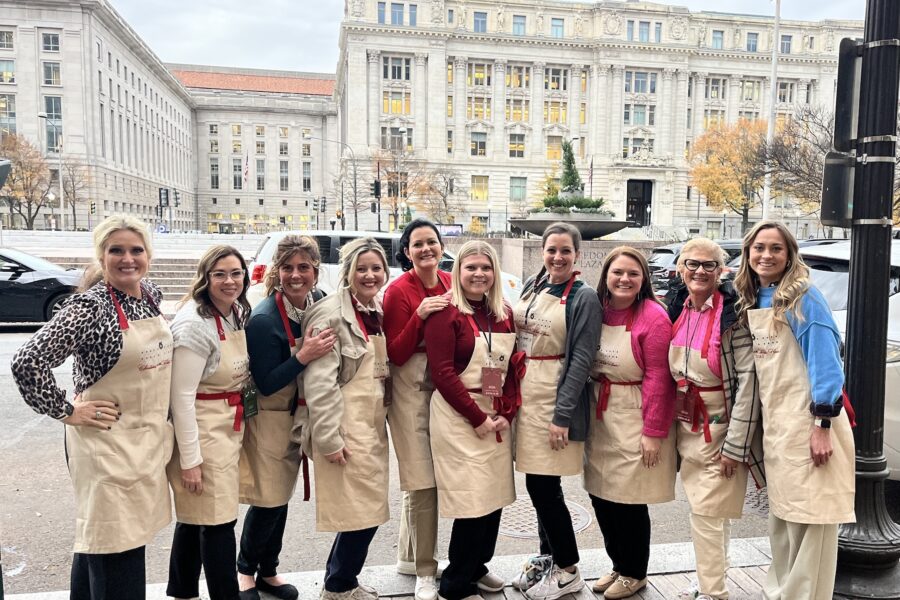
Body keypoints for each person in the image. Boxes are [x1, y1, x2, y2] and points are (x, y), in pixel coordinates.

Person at [11, 216, 173, 600]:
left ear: (148, 254)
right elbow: (27, 361)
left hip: (142, 441)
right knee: (116, 542)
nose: (127, 258)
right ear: (101, 256)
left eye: (136, 249)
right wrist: (68, 411)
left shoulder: (149, 294)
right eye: (116, 250)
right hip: (104, 444)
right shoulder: (89, 307)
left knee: (101, 536)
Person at [732, 221, 855, 600]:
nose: (766, 255)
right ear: (748, 254)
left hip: (811, 425)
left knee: (811, 525)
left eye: (775, 249)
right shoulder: (760, 297)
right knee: (784, 520)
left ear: (789, 257)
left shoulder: (804, 299)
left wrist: (821, 425)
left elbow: (827, 367)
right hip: (779, 426)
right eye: (759, 248)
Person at [424, 240, 523, 600]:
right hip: (458, 415)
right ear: (458, 272)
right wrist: (478, 417)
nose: (479, 274)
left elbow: (509, 369)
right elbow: (443, 373)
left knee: (494, 497)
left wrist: (505, 411)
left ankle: (478, 566)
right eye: (471, 268)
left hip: (494, 413)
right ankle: (456, 579)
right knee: (472, 501)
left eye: (486, 267)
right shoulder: (444, 313)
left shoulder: (502, 313)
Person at [666, 238, 764, 600]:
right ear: (680, 269)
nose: (700, 272)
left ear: (721, 271)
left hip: (720, 427)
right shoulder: (679, 307)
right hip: (687, 425)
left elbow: (748, 383)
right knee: (711, 512)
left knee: (706, 514)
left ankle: (713, 592)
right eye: (692, 264)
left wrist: (734, 446)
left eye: (709, 265)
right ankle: (714, 581)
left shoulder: (732, 316)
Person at [238, 235, 335, 600]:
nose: (296, 275)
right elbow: (265, 383)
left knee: (282, 497)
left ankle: (269, 570)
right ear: (277, 272)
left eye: (304, 268)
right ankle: (245, 570)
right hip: (270, 417)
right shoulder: (264, 320)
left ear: (315, 271)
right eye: (288, 268)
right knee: (268, 499)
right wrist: (303, 356)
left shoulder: (318, 304)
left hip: (297, 414)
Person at [510, 223, 601, 600]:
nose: (558, 257)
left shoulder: (584, 297)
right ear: (542, 251)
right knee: (539, 484)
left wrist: (562, 414)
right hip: (526, 394)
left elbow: (581, 359)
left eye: (565, 250)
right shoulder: (534, 284)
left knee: (543, 487)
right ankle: (548, 557)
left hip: (553, 396)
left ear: (577, 254)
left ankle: (568, 568)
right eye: (551, 250)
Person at [302, 237, 393, 600]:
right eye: (362, 268)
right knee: (359, 511)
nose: (370, 275)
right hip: (346, 422)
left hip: (370, 422)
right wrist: (328, 437)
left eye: (376, 268)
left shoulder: (376, 309)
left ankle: (341, 579)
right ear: (348, 272)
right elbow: (319, 383)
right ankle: (338, 586)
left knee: (366, 508)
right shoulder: (331, 315)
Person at [585, 246, 676, 600]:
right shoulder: (598, 310)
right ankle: (618, 563)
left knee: (629, 500)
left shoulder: (653, 317)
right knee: (600, 494)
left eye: (633, 274)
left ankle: (635, 571)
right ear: (606, 277)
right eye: (618, 273)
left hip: (636, 410)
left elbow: (659, 377)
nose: (624, 279)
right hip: (601, 411)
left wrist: (653, 432)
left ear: (643, 280)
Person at [165, 245, 253, 600]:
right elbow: (181, 398)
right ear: (206, 278)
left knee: (194, 515)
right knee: (218, 522)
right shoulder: (192, 325)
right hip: (202, 430)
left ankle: (182, 591)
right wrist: (190, 460)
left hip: (225, 425)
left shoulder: (233, 312)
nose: (229, 281)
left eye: (236, 273)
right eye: (220, 274)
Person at [383, 219, 452, 600]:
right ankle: (426, 571)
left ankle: (410, 557)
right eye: (418, 244)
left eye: (432, 242)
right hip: (410, 388)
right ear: (406, 252)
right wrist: (420, 315)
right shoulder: (399, 292)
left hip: (442, 387)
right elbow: (395, 352)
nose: (426, 249)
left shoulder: (449, 283)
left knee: (425, 477)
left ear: (441, 247)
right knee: (421, 479)